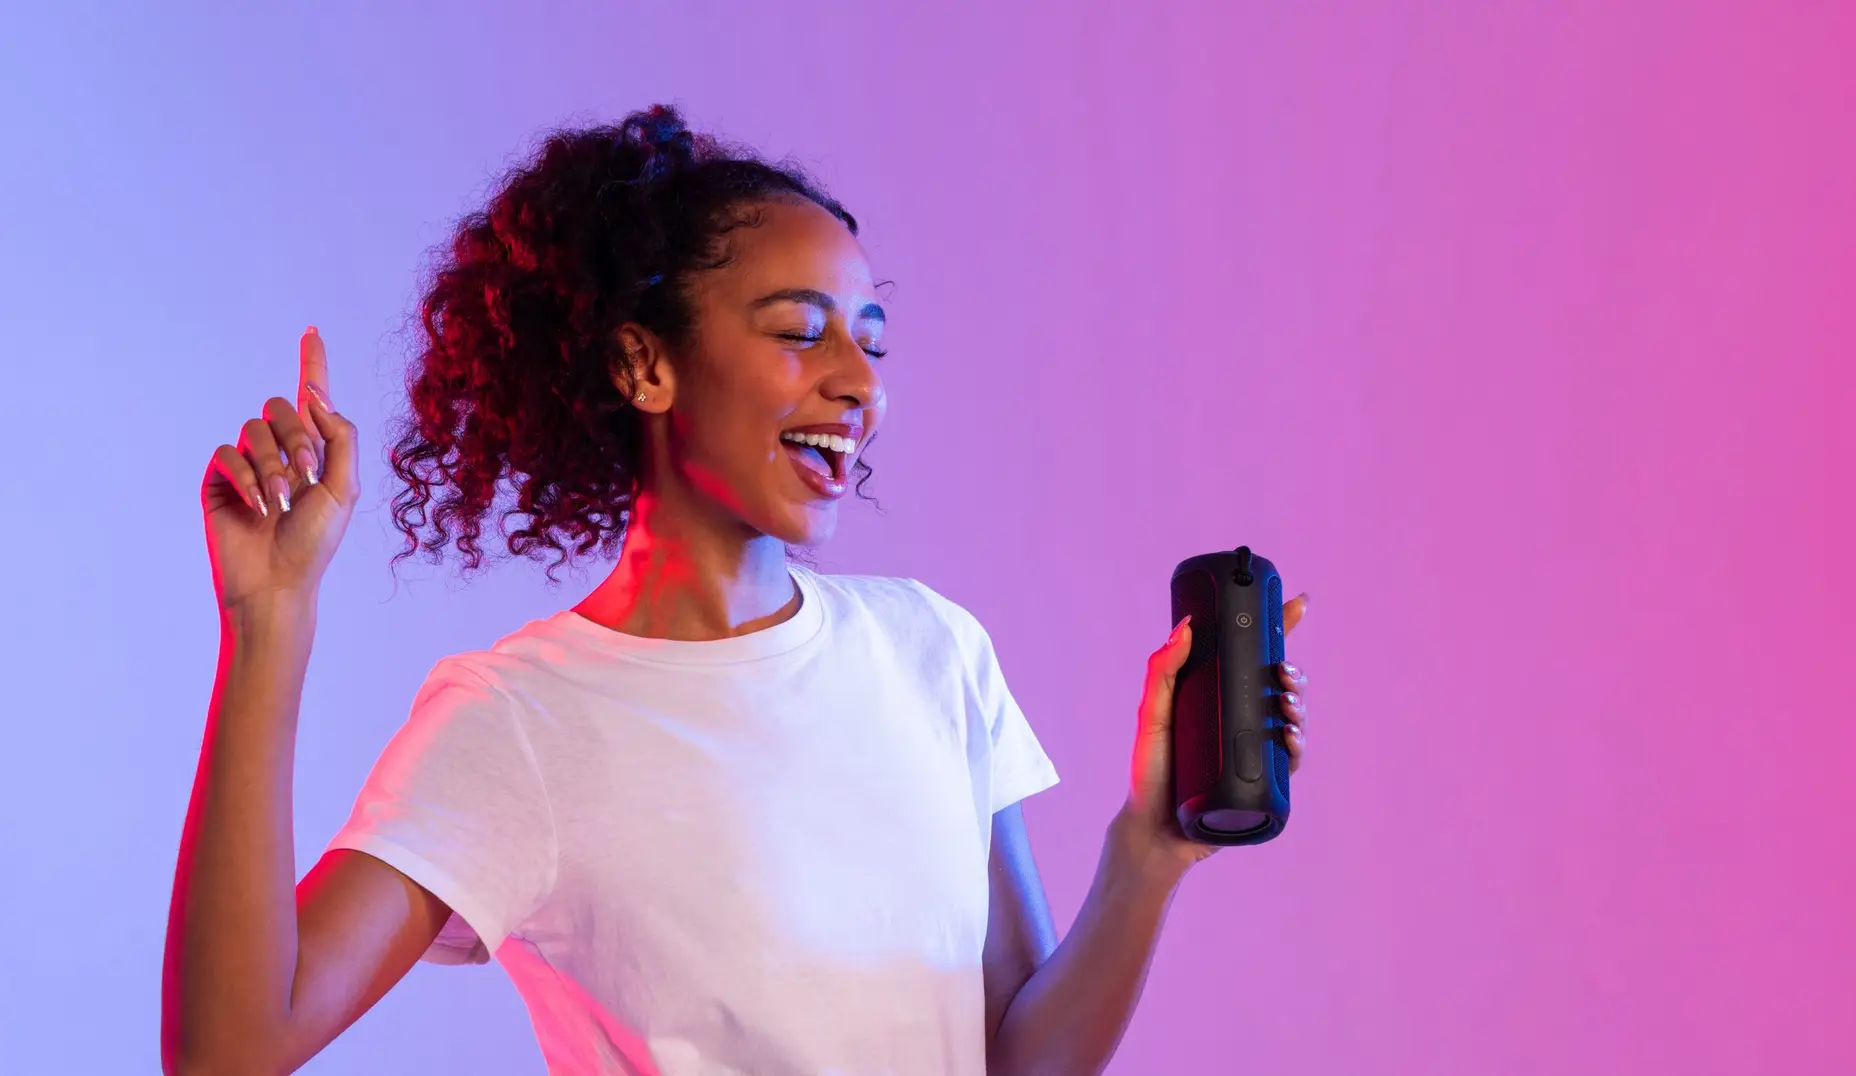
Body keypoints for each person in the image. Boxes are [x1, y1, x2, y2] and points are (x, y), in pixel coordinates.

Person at [161, 105, 1311, 1076]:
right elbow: (228, 1049)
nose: (858, 384)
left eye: (871, 341)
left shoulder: (933, 649)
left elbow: (1019, 1059)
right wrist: (270, 622)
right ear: (644, 364)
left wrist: (1148, 849)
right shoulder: (519, 720)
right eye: (801, 333)